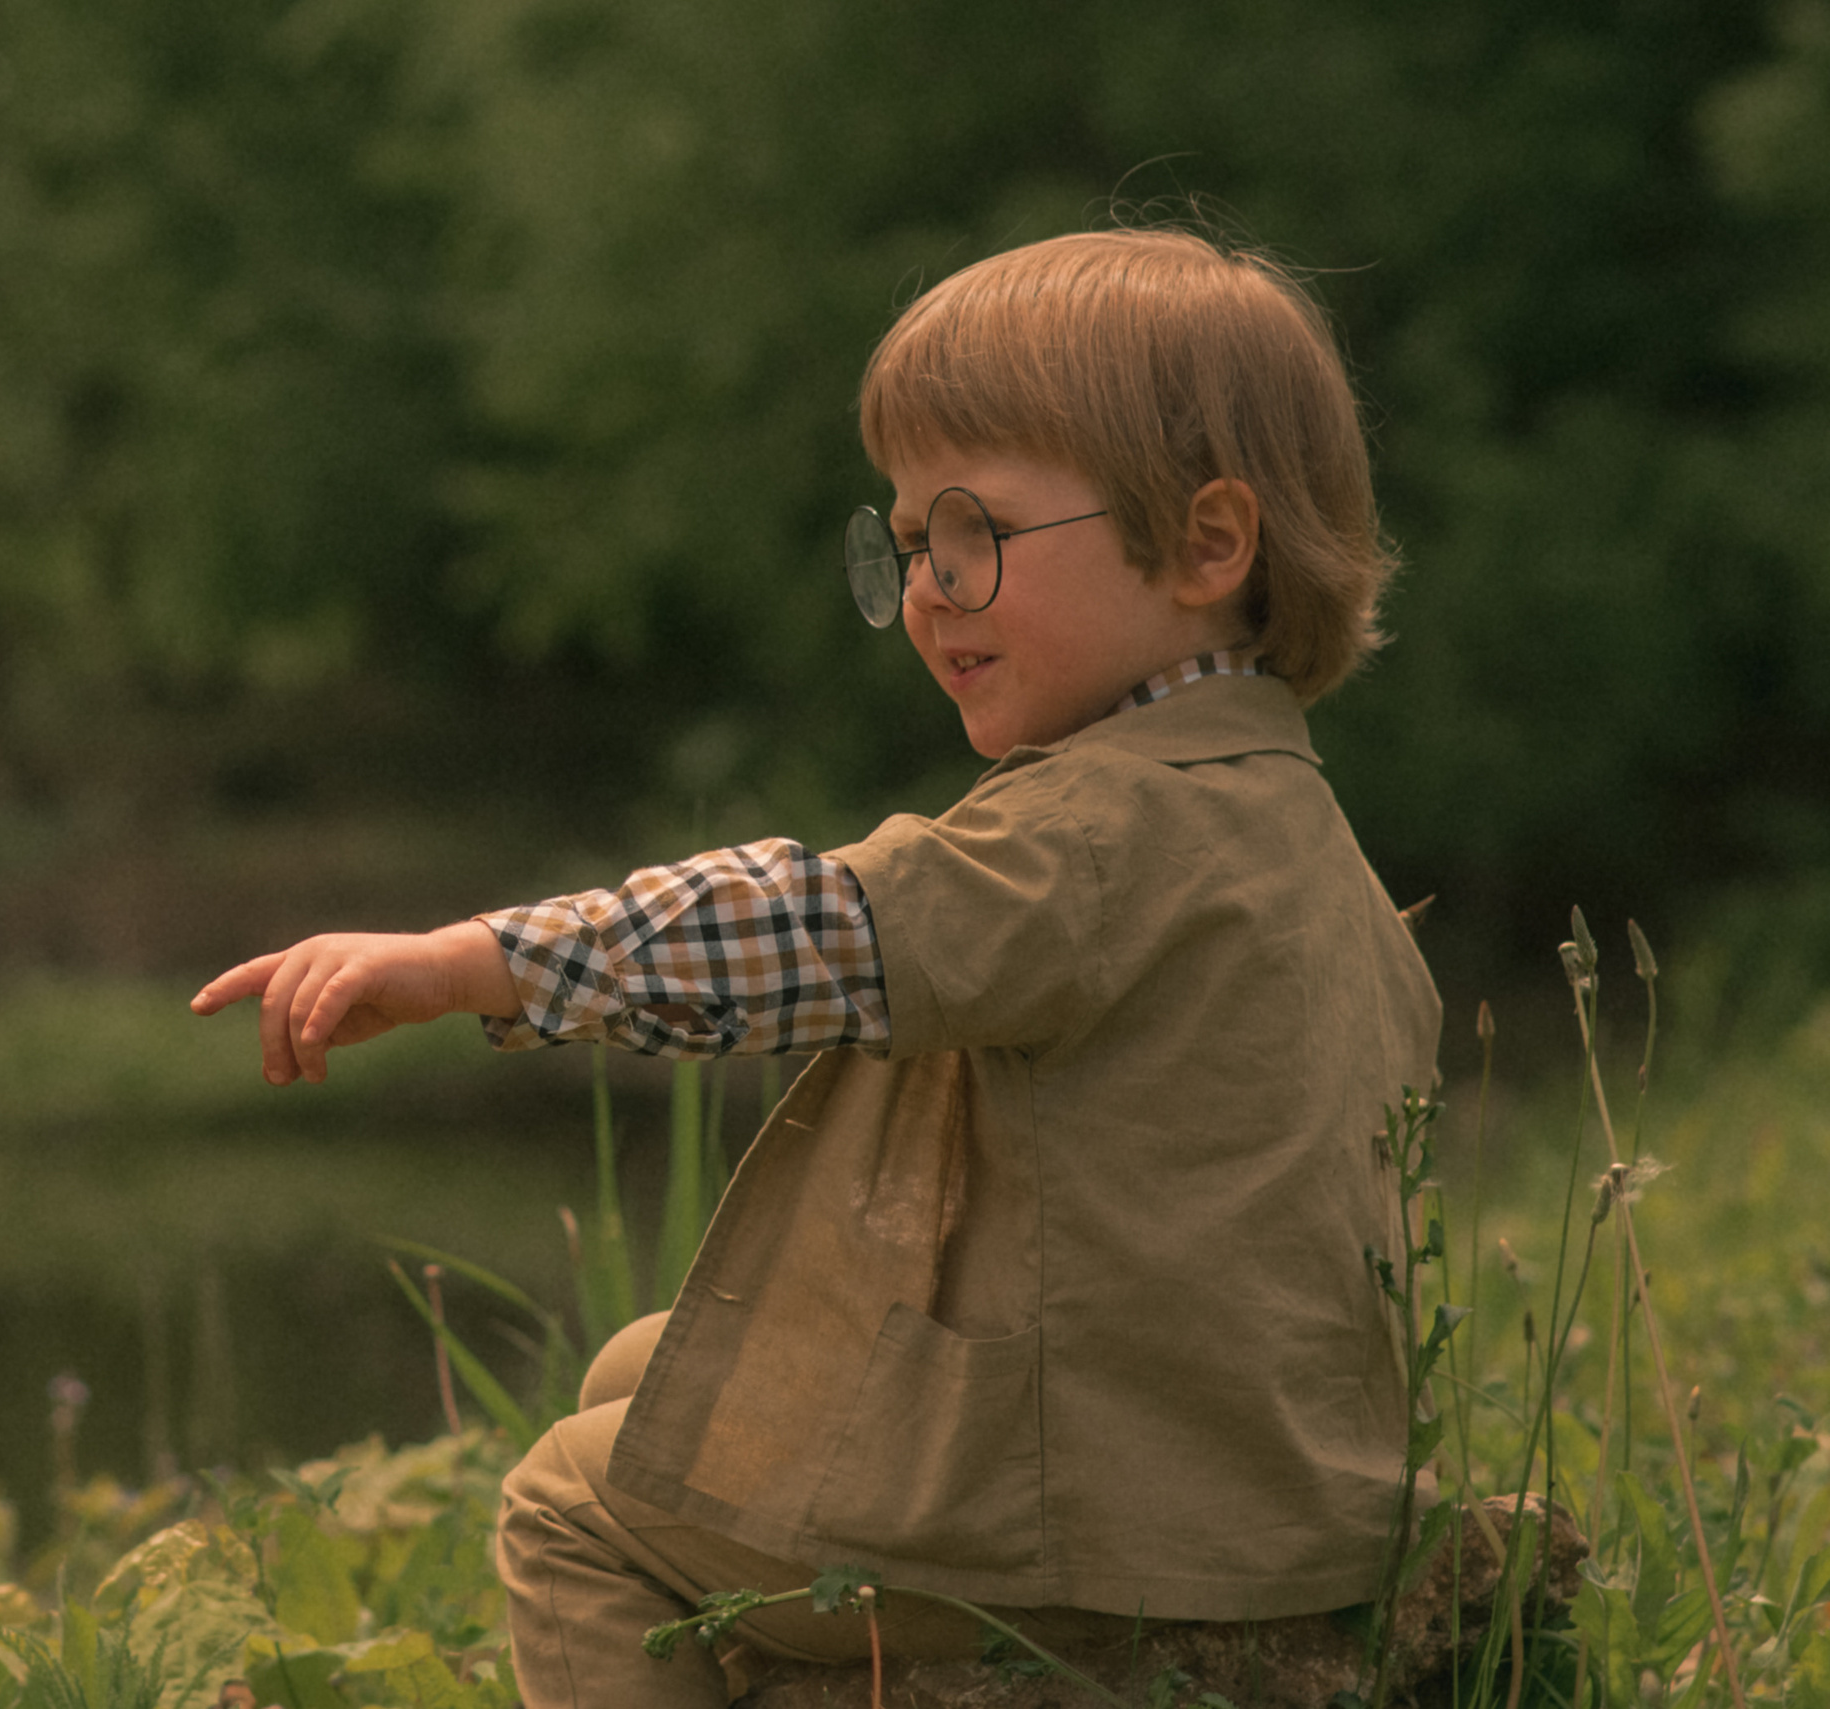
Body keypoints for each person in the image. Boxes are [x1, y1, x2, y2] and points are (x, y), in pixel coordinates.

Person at [192, 225, 1441, 1709]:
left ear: (1206, 543)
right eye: (907, 544)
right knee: (644, 1382)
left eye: (973, 533)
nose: (926, 590)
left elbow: (808, 925)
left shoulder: (1099, 830)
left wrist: (479, 962)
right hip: (1267, 1495)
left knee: (571, 1508)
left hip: (1097, 1529)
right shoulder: (1299, 833)